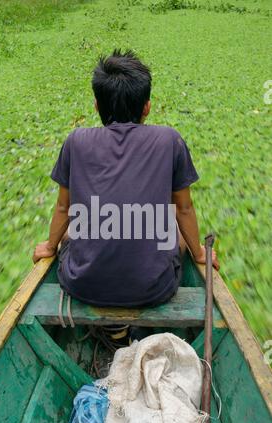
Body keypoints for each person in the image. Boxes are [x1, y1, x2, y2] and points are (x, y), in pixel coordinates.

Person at [33, 49, 219, 308]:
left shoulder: (76, 141)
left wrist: (50, 247)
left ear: (97, 105)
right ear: (147, 107)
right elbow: (183, 208)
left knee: (72, 232)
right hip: (155, 289)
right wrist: (199, 253)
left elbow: (64, 207)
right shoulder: (169, 139)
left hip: (81, 285)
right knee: (175, 231)